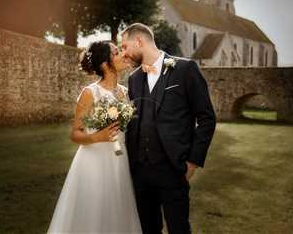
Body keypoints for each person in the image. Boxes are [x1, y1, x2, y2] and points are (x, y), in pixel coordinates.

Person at [121, 23, 216, 234]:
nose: (123, 54)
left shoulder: (185, 69)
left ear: (139, 41)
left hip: (174, 168)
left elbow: (207, 118)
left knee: (178, 228)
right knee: (147, 229)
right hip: (140, 170)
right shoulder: (134, 79)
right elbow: (135, 121)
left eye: (125, 47)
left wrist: (192, 162)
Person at [47, 40, 142, 234]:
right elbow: (75, 133)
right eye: (117, 52)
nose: (124, 54)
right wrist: (99, 137)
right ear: (105, 64)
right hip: (94, 164)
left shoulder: (126, 93)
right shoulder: (90, 93)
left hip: (120, 163)